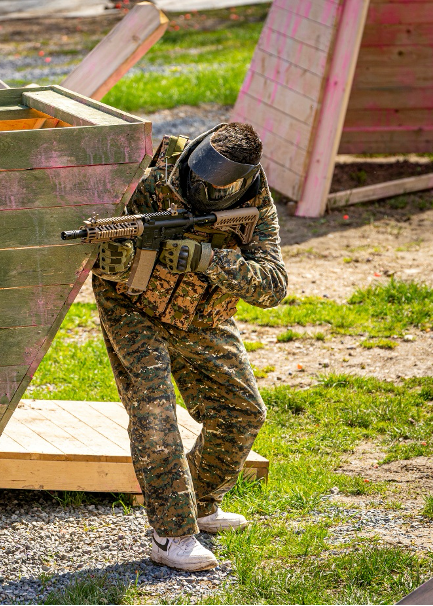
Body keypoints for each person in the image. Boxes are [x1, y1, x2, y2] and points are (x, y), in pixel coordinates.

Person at [91, 123, 287, 571]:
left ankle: (199, 502)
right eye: (195, 176)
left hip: (203, 315)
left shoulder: (255, 200)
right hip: (134, 308)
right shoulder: (151, 174)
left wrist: (209, 260)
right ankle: (171, 534)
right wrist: (114, 258)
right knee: (155, 413)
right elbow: (96, 228)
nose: (198, 187)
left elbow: (274, 285)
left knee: (243, 412)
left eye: (211, 186)